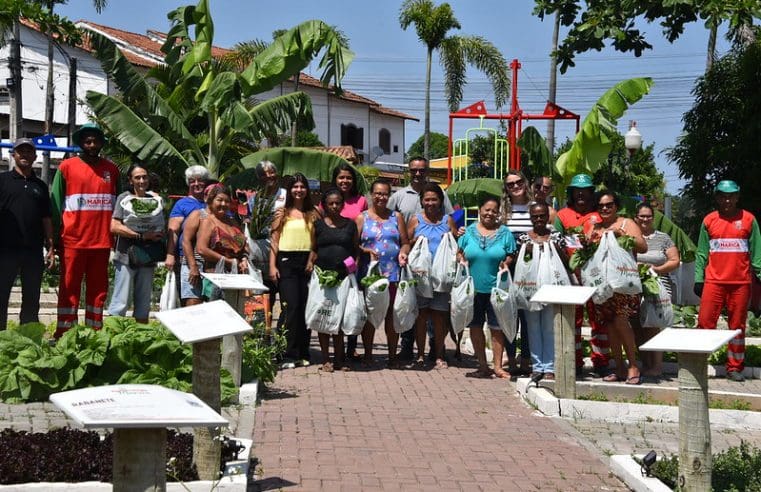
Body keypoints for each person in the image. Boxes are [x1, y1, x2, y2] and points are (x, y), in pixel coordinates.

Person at [51, 123, 120, 338]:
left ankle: (94, 333)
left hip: (101, 242)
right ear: (81, 143)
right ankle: (65, 333)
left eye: (95, 141)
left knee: (98, 291)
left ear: (101, 144)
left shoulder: (112, 170)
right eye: (87, 141)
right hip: (73, 241)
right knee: (69, 289)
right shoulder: (66, 167)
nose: (91, 144)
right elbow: (55, 203)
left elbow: (119, 207)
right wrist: (53, 240)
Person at [694, 180, 761, 382]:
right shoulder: (709, 220)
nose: (727, 199)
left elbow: (757, 253)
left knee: (737, 326)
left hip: (740, 283)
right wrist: (699, 278)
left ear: (737, 197)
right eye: (723, 195)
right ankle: (698, 365)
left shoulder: (749, 220)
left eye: (731, 195)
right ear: (716, 197)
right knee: (705, 323)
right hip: (714, 282)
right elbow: (701, 253)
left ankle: (734, 367)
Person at [387, 156, 454, 360]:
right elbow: (393, 223)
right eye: (414, 170)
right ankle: (411, 349)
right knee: (415, 310)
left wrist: (457, 235)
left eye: (422, 170)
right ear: (409, 170)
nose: (418, 173)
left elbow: (455, 222)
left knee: (438, 315)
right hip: (415, 267)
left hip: (440, 270)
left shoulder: (443, 205)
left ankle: (437, 350)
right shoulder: (399, 196)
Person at [588, 190, 647, 384]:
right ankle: (619, 366)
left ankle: (633, 365)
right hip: (603, 286)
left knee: (621, 321)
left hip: (623, 283)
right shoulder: (594, 228)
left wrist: (620, 234)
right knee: (610, 325)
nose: (605, 208)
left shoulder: (626, 223)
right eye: (601, 206)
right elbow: (587, 252)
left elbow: (642, 246)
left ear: (616, 206)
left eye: (609, 205)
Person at [554, 173, 609, 376]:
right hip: (571, 275)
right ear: (571, 193)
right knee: (574, 319)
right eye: (577, 191)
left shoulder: (599, 215)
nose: (581, 195)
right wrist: (568, 269)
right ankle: (575, 361)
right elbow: (557, 243)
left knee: (599, 319)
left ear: (591, 193)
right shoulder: (562, 216)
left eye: (585, 191)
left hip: (596, 275)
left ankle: (601, 361)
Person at [457, 197, 516, 378]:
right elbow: (459, 252)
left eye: (494, 210)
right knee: (475, 326)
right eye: (486, 209)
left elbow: (511, 254)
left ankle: (497, 367)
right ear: (480, 210)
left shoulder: (505, 233)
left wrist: (506, 263)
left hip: (496, 289)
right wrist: (460, 259)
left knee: (496, 328)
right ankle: (482, 365)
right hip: (473, 289)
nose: (489, 213)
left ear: (498, 213)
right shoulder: (468, 232)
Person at [0, 138, 55, 329]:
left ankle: (28, 339)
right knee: (1, 296)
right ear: (13, 155)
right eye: (20, 151)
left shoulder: (39, 185)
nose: (25, 155)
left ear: (35, 156)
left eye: (29, 152)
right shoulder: (2, 181)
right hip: (5, 251)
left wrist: (50, 247)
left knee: (32, 298)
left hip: (32, 252)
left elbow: (46, 218)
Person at [356, 179, 410, 367]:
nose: (381, 197)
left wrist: (404, 252)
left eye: (385, 194)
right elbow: (354, 245)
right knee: (371, 314)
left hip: (393, 274)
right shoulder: (362, 217)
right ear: (371, 195)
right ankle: (368, 354)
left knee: (391, 315)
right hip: (370, 275)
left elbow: (404, 241)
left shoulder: (397, 217)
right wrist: (365, 251)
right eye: (377, 193)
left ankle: (392, 356)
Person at [107, 164, 170, 323]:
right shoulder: (124, 198)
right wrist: (141, 235)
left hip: (148, 256)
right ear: (130, 180)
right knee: (121, 300)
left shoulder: (155, 199)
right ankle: (114, 334)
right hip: (125, 256)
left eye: (144, 177)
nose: (142, 180)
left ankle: (140, 336)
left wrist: (157, 234)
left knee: (143, 303)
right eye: (137, 177)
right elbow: (114, 226)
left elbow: (162, 225)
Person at [269, 173, 318, 367]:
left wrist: (312, 258)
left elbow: (317, 241)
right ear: (289, 190)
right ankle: (285, 354)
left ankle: (302, 353)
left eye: (302, 186)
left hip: (306, 262)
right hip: (286, 261)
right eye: (295, 187)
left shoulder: (313, 213)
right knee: (291, 307)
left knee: (306, 309)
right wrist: (272, 266)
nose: (299, 190)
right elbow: (274, 241)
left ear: (307, 190)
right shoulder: (282, 213)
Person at [407, 183, 457, 368]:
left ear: (441, 201)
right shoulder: (415, 220)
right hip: (421, 276)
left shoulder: (447, 220)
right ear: (421, 201)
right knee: (421, 317)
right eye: (426, 199)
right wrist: (414, 242)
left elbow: (455, 244)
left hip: (441, 277)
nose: (430, 203)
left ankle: (438, 354)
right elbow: (406, 242)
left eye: (434, 199)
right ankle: (420, 354)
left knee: (439, 318)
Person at [517, 202, 569, 382]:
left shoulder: (555, 236)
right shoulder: (524, 238)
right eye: (535, 216)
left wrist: (555, 248)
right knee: (532, 327)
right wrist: (527, 252)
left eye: (542, 216)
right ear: (530, 217)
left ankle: (550, 366)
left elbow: (566, 261)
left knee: (548, 327)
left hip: (550, 288)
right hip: (531, 288)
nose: (538, 219)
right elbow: (520, 263)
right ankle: (537, 366)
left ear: (548, 217)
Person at [308, 188, 359, 372]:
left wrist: (352, 269)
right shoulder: (319, 225)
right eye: (331, 203)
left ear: (343, 204)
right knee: (323, 316)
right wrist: (310, 263)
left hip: (343, 278)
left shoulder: (350, 225)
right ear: (325, 205)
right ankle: (326, 360)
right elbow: (313, 248)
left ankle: (339, 359)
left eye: (338, 203)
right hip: (322, 277)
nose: (335, 206)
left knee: (338, 318)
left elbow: (355, 249)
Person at [633, 202, 680, 378]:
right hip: (635, 286)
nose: (645, 219)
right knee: (639, 325)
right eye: (642, 216)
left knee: (656, 325)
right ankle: (646, 363)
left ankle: (657, 366)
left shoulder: (663, 238)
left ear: (653, 218)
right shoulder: (631, 238)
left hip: (659, 285)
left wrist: (655, 269)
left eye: (648, 216)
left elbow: (674, 260)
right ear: (636, 218)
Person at [328, 163, 368, 362]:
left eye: (348, 178)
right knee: (334, 302)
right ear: (335, 179)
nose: (345, 181)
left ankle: (351, 346)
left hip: (354, 258)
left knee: (353, 303)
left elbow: (364, 230)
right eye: (341, 177)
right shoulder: (327, 201)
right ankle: (335, 350)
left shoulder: (361, 201)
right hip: (331, 260)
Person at [500, 170, 533, 376]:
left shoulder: (536, 207)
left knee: (528, 315)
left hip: (531, 266)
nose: (515, 186)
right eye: (510, 184)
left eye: (518, 182)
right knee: (509, 313)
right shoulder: (504, 211)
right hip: (508, 266)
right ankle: (511, 359)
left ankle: (526, 360)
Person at [168, 166, 210, 306]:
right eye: (192, 181)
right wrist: (170, 255)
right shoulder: (182, 204)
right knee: (192, 299)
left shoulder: (214, 203)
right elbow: (173, 230)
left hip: (211, 259)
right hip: (187, 258)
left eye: (201, 180)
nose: (196, 184)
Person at [196, 185, 250, 295]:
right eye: (219, 200)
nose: (223, 204)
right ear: (211, 201)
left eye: (227, 201)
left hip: (236, 276)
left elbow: (243, 245)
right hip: (216, 277)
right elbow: (201, 249)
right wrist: (227, 261)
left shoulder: (232, 222)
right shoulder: (208, 221)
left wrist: (244, 258)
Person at [178, 180, 220, 307]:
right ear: (206, 197)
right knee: (193, 305)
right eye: (212, 196)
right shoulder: (198, 214)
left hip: (214, 268)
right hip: (195, 265)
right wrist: (193, 267)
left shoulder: (223, 218)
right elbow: (186, 241)